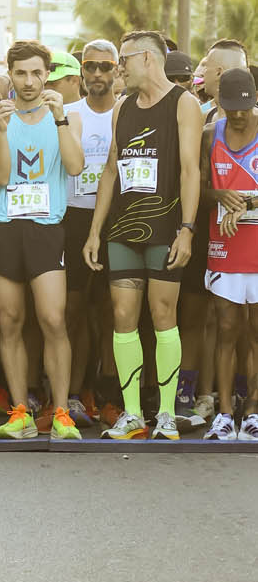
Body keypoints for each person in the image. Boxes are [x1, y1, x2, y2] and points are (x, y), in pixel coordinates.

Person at [83, 30, 203, 442]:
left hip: (165, 226)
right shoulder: (122, 107)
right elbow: (111, 170)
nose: (119, 68)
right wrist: (94, 231)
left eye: (124, 60)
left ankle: (166, 414)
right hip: (122, 228)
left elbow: (190, 170)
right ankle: (132, 413)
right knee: (122, 316)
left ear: (148, 59)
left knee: (164, 314)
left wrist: (187, 229)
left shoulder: (183, 103)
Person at [0, 41, 85, 441]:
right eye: (21, 73)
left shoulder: (67, 117)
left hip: (46, 228)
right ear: (10, 74)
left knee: (53, 319)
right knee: (9, 320)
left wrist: (60, 120)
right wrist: (1, 130)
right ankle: (20, 411)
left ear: (48, 75)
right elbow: (0, 178)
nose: (29, 81)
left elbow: (75, 167)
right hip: (4, 225)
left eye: (37, 73)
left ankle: (61, 412)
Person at [200, 67, 258, 441]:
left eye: (244, 107)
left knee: (255, 331)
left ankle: (252, 411)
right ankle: (223, 413)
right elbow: (196, 189)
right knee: (225, 328)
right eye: (231, 106)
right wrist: (219, 195)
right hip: (224, 245)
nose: (237, 114)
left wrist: (248, 202)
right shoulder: (210, 135)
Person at [62, 39, 118, 426]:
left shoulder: (128, 112)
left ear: (117, 69)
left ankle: (111, 395)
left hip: (118, 221)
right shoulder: (69, 114)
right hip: (74, 218)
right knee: (73, 311)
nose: (97, 73)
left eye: (105, 66)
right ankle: (72, 393)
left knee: (116, 313)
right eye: (90, 66)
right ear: (81, 71)